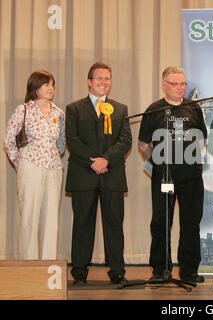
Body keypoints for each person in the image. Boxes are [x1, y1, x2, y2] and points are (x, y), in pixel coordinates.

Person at [138, 66, 207, 283]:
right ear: (164, 85)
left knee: (190, 223)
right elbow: (142, 144)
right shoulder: (153, 109)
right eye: (175, 84)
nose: (180, 88)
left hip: (191, 176)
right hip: (164, 176)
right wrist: (157, 162)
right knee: (160, 222)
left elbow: (202, 138)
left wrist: (190, 157)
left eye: (183, 84)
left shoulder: (193, 107)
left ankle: (189, 271)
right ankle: (160, 269)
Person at [65, 62, 132, 285]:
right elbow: (72, 139)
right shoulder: (74, 108)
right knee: (82, 224)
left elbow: (125, 141)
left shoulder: (120, 109)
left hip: (112, 174)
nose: (104, 82)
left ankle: (117, 271)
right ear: (89, 81)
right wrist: (94, 162)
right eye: (100, 78)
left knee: (114, 224)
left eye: (108, 78)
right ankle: (80, 271)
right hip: (84, 174)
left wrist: (106, 160)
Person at [3, 70, 65, 260]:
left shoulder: (59, 113)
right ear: (35, 88)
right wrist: (20, 163)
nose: (51, 88)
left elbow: (61, 143)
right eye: (46, 84)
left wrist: (52, 157)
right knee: (29, 218)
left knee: (51, 220)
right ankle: (28, 264)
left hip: (54, 169)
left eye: (52, 84)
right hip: (30, 167)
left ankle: (47, 264)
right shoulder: (23, 110)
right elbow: (8, 141)